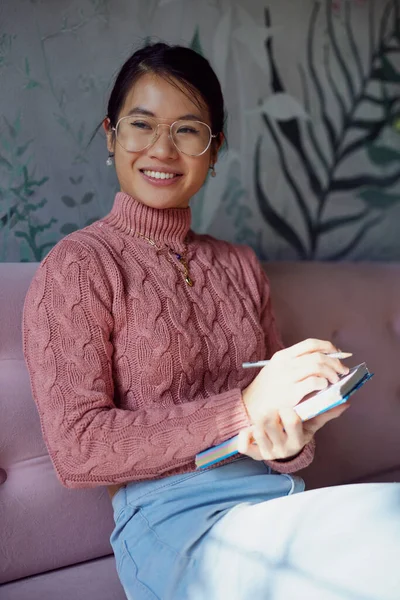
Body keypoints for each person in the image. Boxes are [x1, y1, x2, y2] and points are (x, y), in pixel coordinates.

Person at [22, 42, 400, 600]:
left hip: (275, 502)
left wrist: (292, 435)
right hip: (175, 531)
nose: (162, 149)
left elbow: (284, 442)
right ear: (111, 135)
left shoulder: (241, 265)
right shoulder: (79, 266)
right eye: (141, 125)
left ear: (215, 147)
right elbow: (78, 447)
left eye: (188, 130)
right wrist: (242, 408)